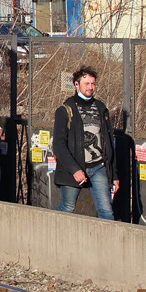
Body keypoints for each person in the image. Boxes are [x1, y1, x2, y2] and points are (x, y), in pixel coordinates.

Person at [53, 66, 119, 220]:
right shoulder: (65, 110)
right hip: (73, 169)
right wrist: (75, 170)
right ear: (76, 84)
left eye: (93, 84)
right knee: (67, 207)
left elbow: (108, 143)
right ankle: (55, 236)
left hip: (98, 167)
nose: (90, 87)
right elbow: (59, 145)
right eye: (86, 83)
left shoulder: (101, 108)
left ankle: (106, 244)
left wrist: (114, 175)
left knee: (106, 211)